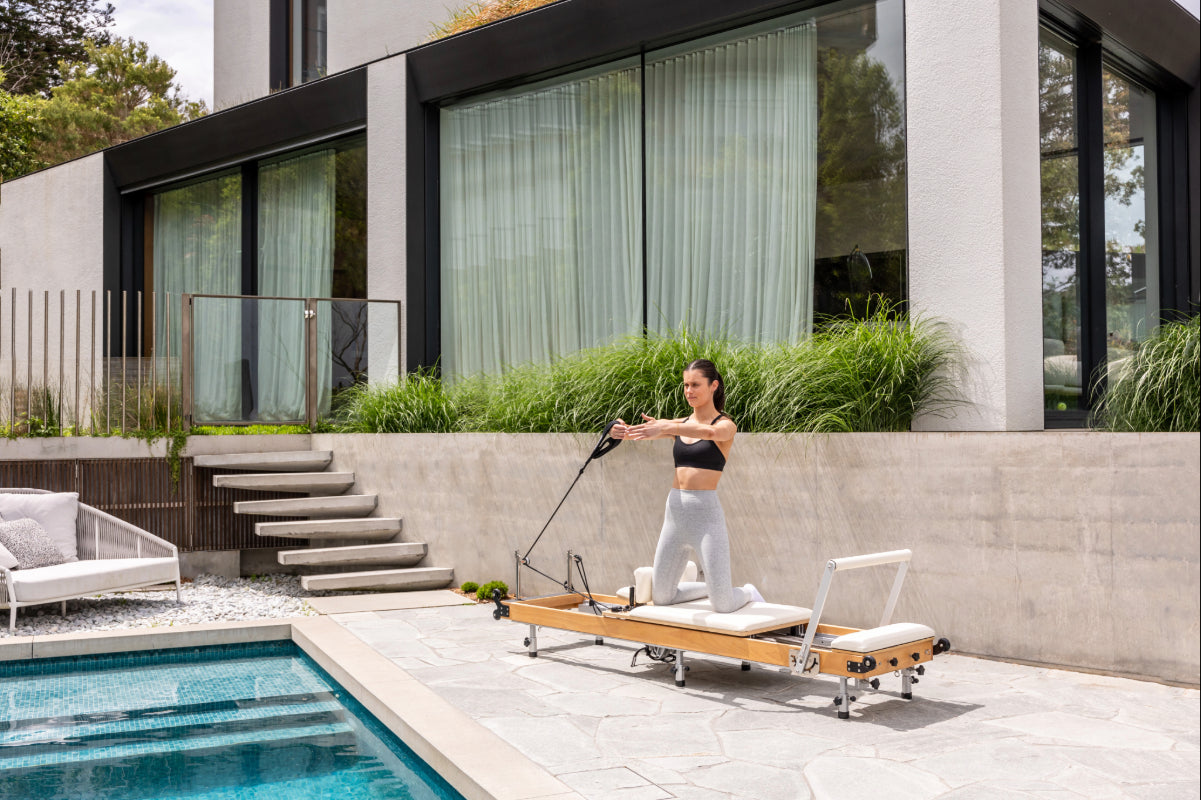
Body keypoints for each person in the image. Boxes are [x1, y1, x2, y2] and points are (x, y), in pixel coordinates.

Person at [612, 359, 763, 613]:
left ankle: (746, 591)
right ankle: (712, 587)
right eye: (685, 385)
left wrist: (668, 426)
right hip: (675, 515)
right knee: (662, 597)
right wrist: (623, 431)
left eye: (695, 384)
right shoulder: (679, 424)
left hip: (705, 517)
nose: (689, 391)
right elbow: (644, 432)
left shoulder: (724, 425)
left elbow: (711, 434)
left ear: (714, 385)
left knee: (723, 605)